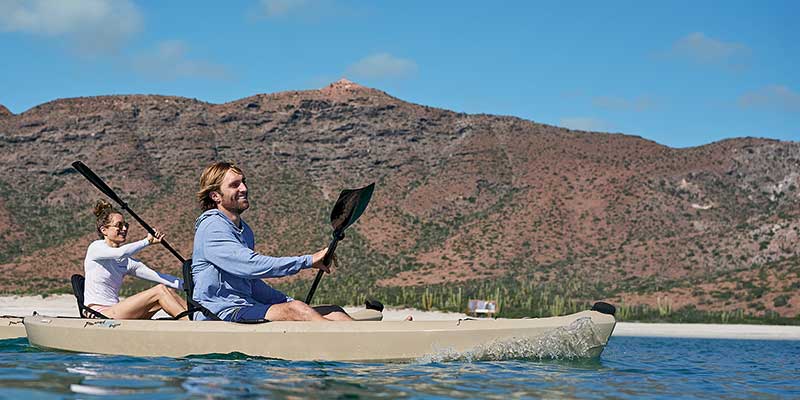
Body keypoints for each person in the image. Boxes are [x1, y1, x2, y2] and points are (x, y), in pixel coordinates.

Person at [191, 161, 353, 322]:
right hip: (219, 313)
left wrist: (287, 302)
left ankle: (365, 344)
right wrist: (308, 261)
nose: (244, 189)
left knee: (334, 311)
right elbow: (249, 266)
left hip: (246, 307)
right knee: (297, 311)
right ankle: (343, 346)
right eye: (235, 185)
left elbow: (252, 285)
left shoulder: (244, 231)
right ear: (215, 196)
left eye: (244, 182)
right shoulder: (212, 227)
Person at [83, 200, 188, 319]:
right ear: (104, 230)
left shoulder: (127, 262)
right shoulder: (96, 248)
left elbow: (159, 277)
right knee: (160, 290)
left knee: (168, 291)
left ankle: (199, 320)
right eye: (119, 225)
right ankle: (193, 326)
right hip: (99, 314)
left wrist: (188, 285)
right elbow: (120, 253)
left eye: (125, 225)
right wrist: (147, 241)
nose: (124, 229)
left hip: (116, 311)